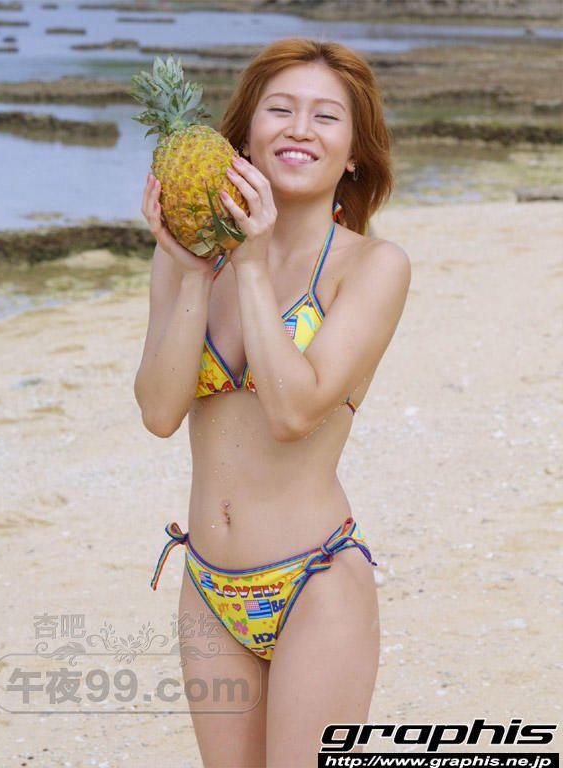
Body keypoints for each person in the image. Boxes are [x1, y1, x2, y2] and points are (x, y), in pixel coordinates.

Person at [134, 37, 411, 768]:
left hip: (314, 583)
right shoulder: (190, 255)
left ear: (354, 153)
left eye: (326, 117)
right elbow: (159, 412)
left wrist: (251, 264)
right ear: (246, 134)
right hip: (207, 588)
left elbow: (294, 413)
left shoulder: (373, 267)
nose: (299, 129)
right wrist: (191, 273)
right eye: (280, 110)